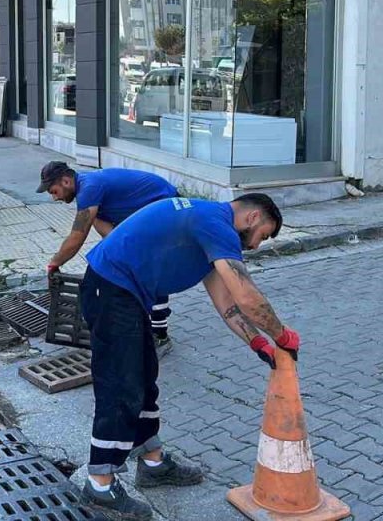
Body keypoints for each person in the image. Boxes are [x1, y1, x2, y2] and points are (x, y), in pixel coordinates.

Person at [76, 193, 298, 520]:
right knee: (121, 387)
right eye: (262, 235)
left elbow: (227, 302)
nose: (255, 246)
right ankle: (99, 485)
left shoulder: (208, 229)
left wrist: (258, 344)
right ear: (252, 218)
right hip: (110, 290)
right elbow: (246, 294)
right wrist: (281, 335)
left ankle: (152, 463)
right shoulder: (215, 224)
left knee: (144, 379)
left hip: (126, 294)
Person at [38, 161, 178, 355]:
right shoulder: (88, 192)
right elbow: (111, 236)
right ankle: (139, 321)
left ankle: (160, 335)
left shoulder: (90, 189)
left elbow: (78, 236)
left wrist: (54, 263)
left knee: (149, 269)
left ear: (66, 181)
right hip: (148, 213)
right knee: (130, 263)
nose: (54, 198)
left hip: (166, 208)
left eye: (54, 191)